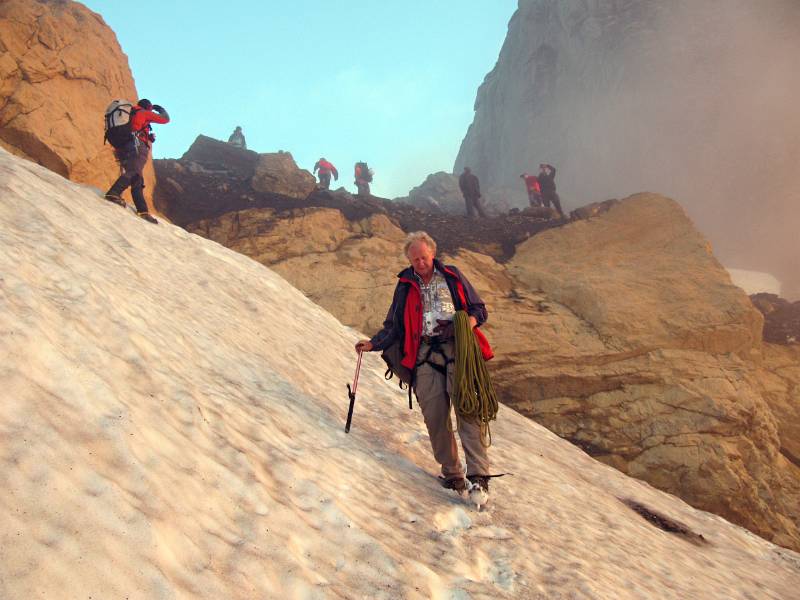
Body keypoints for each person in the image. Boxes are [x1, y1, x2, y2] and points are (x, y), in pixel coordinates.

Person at [355, 231, 495, 504]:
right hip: (424, 355)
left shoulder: (452, 276)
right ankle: (453, 473)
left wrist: (469, 323)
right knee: (434, 417)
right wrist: (373, 344)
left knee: (468, 411)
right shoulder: (406, 285)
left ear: (433, 253)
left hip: (458, 351)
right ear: (409, 260)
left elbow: (479, 309)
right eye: (414, 258)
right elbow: (394, 324)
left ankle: (478, 476)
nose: (420, 263)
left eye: (423, 257)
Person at [105, 99, 169, 224]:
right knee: (134, 171)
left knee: (137, 177)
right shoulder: (144, 112)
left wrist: (148, 137)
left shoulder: (131, 113)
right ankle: (114, 193)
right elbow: (165, 119)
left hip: (124, 147)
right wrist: (160, 109)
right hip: (137, 145)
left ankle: (143, 210)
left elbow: (135, 127)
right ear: (148, 107)